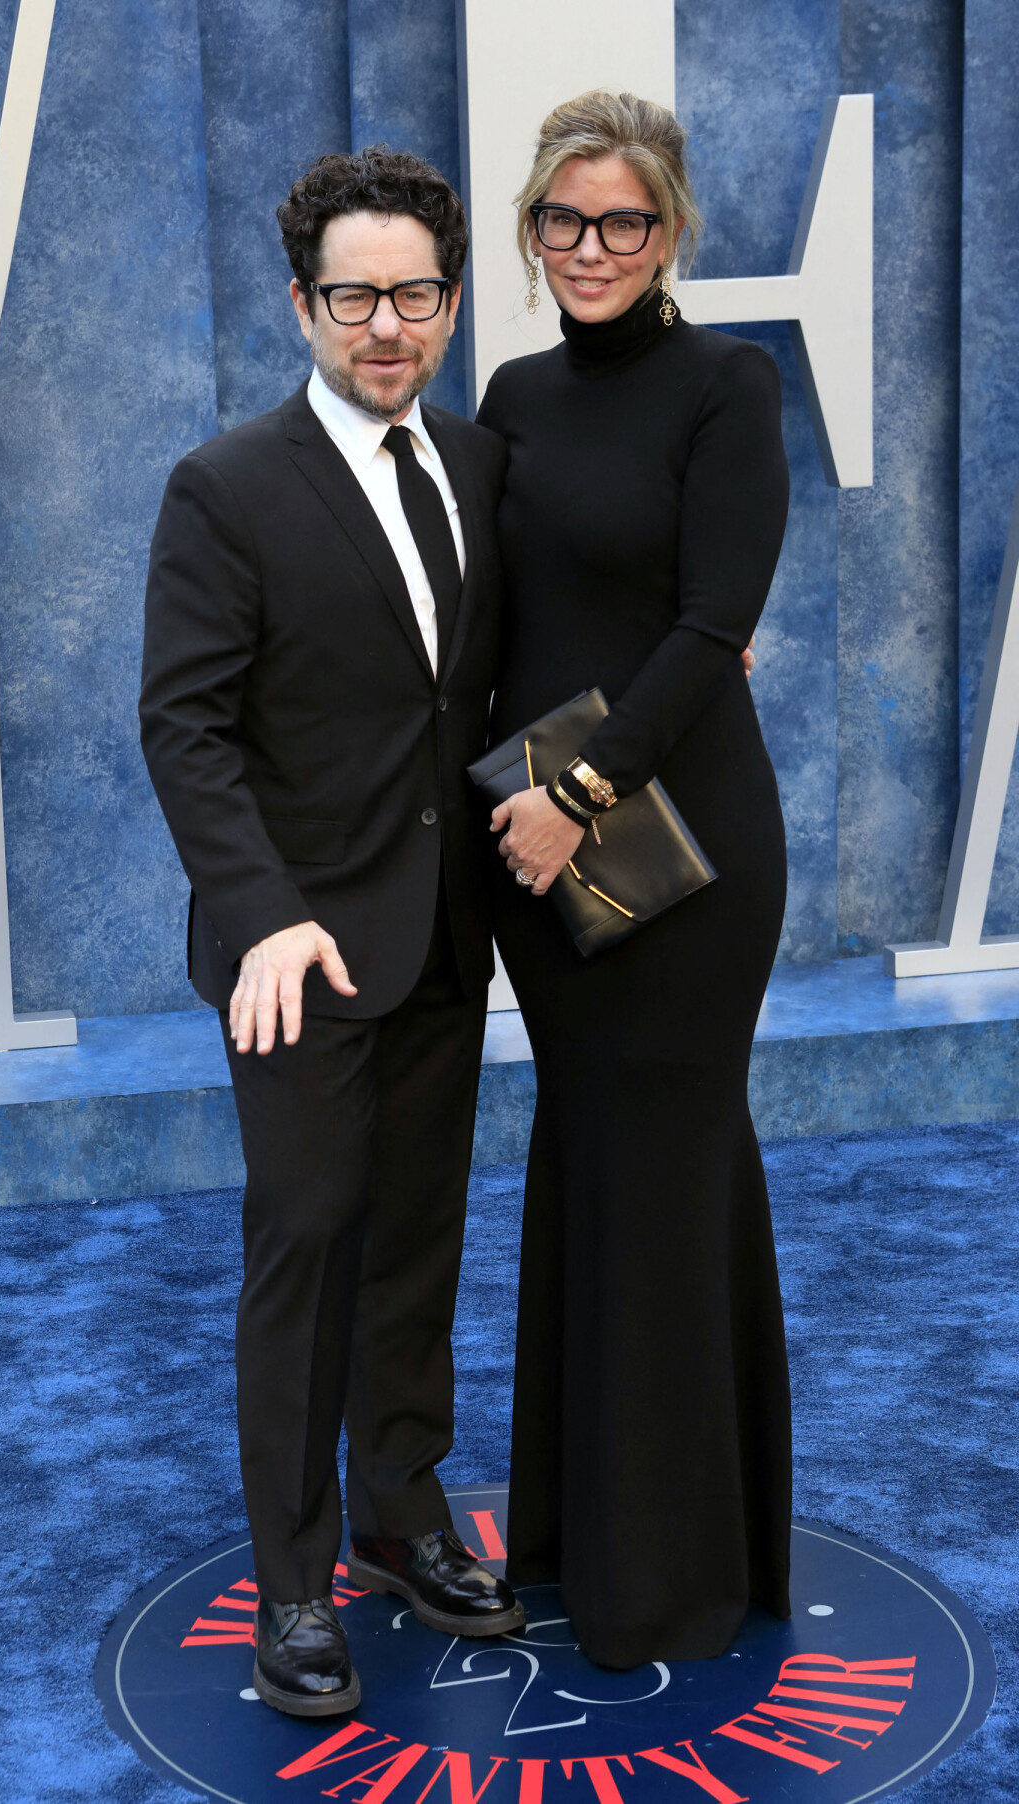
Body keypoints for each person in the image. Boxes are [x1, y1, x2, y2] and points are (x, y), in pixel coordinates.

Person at [139, 147, 523, 1719]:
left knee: (417, 1245)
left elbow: (490, 676)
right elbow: (185, 729)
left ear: (447, 301)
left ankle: (399, 1515)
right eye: (354, 296)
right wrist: (265, 923)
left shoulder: (481, 465)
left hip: (442, 939)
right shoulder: (224, 486)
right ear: (304, 305)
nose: (388, 324)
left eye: (416, 293)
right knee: (305, 1253)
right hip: (295, 960)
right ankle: (293, 1585)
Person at [478, 90, 793, 1670]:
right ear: (531, 231)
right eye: (563, 220)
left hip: (678, 850)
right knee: (591, 1164)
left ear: (671, 232)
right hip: (535, 865)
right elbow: (492, 623)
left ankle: (669, 1577)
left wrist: (577, 798)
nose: (591, 247)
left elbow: (711, 621)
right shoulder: (512, 391)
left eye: (624, 221)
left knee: (662, 1174)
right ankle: (572, 1532)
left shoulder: (729, 384)